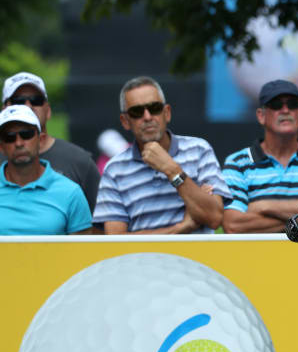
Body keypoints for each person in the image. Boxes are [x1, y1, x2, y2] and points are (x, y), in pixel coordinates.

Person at [93, 76, 230, 234]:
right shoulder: (114, 169)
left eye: (155, 108)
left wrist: (172, 170)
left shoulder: (199, 150)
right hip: (141, 259)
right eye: (137, 112)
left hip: (196, 259)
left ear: (167, 113)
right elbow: (116, 242)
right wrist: (181, 227)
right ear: (125, 121)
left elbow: (214, 218)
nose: (147, 117)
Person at [221, 79, 298, 233]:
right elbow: (233, 225)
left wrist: (262, 206)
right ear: (261, 116)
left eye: (292, 104)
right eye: (276, 105)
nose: (285, 110)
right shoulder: (237, 163)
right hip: (256, 257)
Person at [3, 72, 101, 211]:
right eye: (19, 101)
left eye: (36, 100)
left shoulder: (80, 161)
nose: (28, 106)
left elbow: (99, 225)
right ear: (4, 110)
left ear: (48, 110)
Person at [0, 105, 91, 235]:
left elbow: (83, 252)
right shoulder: (70, 191)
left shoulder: (70, 192)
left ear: (41, 140)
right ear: (1, 146)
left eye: (27, 134)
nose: (19, 143)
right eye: (10, 137)